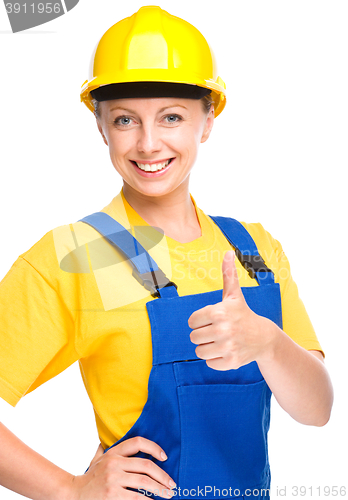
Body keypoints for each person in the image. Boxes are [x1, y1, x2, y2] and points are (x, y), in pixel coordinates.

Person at [0, 5, 333, 500]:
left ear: (208, 120)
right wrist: (70, 490)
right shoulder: (72, 255)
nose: (149, 143)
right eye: (125, 119)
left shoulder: (255, 249)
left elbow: (317, 411)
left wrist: (266, 342)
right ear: (101, 127)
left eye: (171, 117)